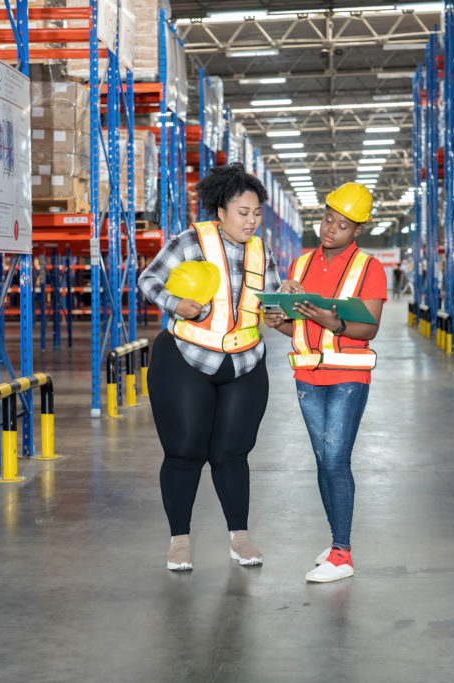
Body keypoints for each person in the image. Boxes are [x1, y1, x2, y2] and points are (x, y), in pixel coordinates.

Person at [138, 162, 299, 572]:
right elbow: (149, 280)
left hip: (245, 363)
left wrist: (285, 304)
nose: (252, 221)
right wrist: (177, 305)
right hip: (188, 358)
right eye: (243, 212)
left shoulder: (262, 251)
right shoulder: (191, 241)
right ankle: (179, 539)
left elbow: (268, 306)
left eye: (257, 213)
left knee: (233, 452)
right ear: (220, 211)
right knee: (185, 450)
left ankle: (239, 537)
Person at [264, 182, 386, 583]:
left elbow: (368, 329)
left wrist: (329, 320)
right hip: (307, 375)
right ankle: (337, 540)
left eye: (343, 225)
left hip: (348, 377)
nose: (331, 229)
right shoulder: (299, 266)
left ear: (358, 231)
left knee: (335, 460)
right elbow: (296, 331)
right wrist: (279, 321)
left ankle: (342, 554)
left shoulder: (369, 268)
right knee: (323, 460)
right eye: (328, 219)